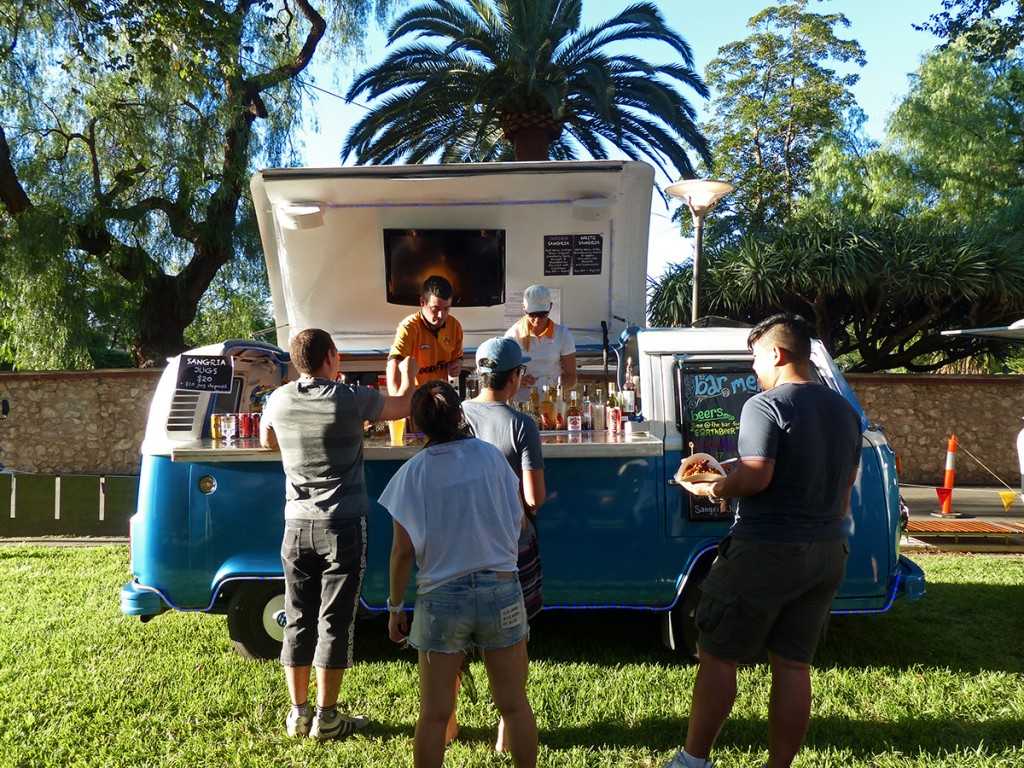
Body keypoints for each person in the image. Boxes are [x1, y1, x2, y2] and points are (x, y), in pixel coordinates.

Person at [664, 313, 862, 768]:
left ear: (776, 353)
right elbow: (844, 488)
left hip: (766, 548)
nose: (752, 368)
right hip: (828, 550)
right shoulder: (846, 412)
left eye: (754, 357)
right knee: (793, 665)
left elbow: (755, 476)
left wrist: (713, 488)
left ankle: (693, 761)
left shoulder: (764, 405)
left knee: (717, 654)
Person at [260, 328, 416, 741]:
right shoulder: (349, 398)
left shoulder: (278, 399)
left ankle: (298, 714)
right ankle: (327, 717)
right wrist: (409, 372)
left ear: (296, 362)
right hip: (343, 524)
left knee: (297, 616)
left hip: (296, 524)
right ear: (332, 357)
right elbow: (402, 406)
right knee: (335, 620)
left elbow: (267, 440)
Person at [379, 380, 538, 768]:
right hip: (501, 590)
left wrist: (395, 608)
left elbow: (402, 553)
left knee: (434, 714)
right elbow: (520, 523)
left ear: (417, 425)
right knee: (515, 705)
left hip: (440, 599)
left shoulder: (412, 474)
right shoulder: (491, 457)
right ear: (458, 414)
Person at [460, 337, 547, 751]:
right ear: (514, 377)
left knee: (455, 640)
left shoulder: (455, 415)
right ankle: (506, 731)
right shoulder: (521, 425)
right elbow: (534, 497)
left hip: (460, 541)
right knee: (514, 637)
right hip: (509, 545)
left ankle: (447, 723)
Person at [387, 275, 463, 394]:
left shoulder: (455, 326)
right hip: (416, 396)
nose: (441, 315)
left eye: (446, 309)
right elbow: (394, 363)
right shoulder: (409, 327)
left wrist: (458, 364)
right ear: (422, 302)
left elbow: (457, 357)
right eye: (435, 309)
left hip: (441, 395)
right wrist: (397, 400)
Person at [505, 284, 576, 400]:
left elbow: (571, 377)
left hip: (551, 403)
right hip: (521, 403)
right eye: (532, 314)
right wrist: (517, 381)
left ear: (550, 307)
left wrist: (557, 390)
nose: (537, 320)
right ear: (523, 308)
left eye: (543, 314)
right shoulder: (512, 335)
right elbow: (503, 377)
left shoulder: (562, 334)